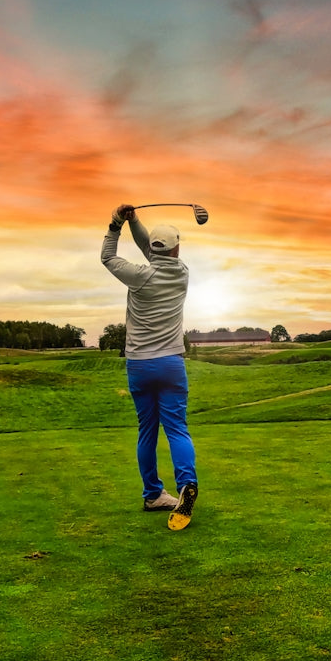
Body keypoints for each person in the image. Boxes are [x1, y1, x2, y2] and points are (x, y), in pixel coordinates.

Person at [101, 204, 199, 530]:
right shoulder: (182, 272)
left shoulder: (140, 275)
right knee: (177, 429)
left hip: (140, 366)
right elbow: (155, 252)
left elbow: (108, 257)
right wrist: (136, 221)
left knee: (147, 431)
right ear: (177, 248)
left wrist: (117, 224)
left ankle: (153, 494)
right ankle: (187, 483)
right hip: (171, 364)